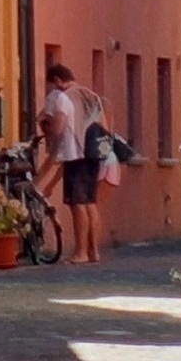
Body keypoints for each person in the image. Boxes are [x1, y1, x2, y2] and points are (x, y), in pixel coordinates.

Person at [40, 61, 105, 264]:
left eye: (49, 84)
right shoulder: (90, 95)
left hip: (76, 152)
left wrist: (45, 125)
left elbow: (59, 127)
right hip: (96, 152)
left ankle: (81, 251)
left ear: (58, 81)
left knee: (77, 204)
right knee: (89, 203)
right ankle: (94, 251)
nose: (48, 89)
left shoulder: (64, 97)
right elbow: (104, 124)